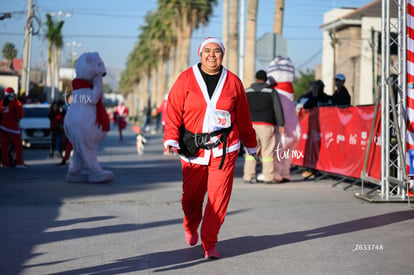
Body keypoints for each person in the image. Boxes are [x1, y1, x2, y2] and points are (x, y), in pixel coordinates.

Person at [163, 37, 257, 259]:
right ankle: (190, 224)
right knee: (191, 199)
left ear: (223, 54)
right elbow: (174, 110)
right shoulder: (186, 79)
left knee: (218, 198)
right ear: (200, 53)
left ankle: (209, 243)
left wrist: (251, 144)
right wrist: (170, 138)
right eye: (207, 51)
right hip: (193, 148)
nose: (212, 55)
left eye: (217, 51)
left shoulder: (233, 82)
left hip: (225, 149)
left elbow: (243, 116)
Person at [243, 70, 285, 183]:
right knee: (267, 152)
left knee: (250, 151)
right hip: (267, 125)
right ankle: (268, 177)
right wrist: (281, 123)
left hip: (250, 125)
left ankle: (248, 176)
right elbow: (277, 108)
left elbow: (242, 109)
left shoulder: (247, 92)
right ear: (266, 80)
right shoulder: (271, 91)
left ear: (256, 79)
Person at [0, 87, 25, 168]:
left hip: (2, 127)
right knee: (18, 146)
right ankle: (19, 163)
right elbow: (20, 114)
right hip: (13, 128)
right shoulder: (15, 103)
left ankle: (5, 163)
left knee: (4, 147)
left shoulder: (1, 103)